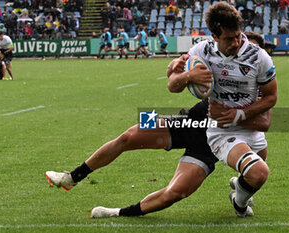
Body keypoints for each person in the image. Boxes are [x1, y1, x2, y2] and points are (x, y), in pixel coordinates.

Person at [46, 30, 273, 218]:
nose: (241, 55)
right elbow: (171, 71)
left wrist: (236, 115)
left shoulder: (261, 89)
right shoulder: (215, 56)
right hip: (188, 121)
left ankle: (116, 213)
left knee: (174, 193)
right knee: (128, 135)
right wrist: (181, 70)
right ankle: (71, 177)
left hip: (209, 148)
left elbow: (265, 121)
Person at [166, 3, 277, 217]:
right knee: (259, 171)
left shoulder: (259, 56)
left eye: (238, 36)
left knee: (253, 172)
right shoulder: (201, 52)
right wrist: (187, 75)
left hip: (250, 127)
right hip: (222, 131)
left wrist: (240, 114)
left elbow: (271, 97)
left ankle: (239, 185)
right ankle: (240, 205)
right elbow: (172, 85)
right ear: (214, 36)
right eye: (229, 38)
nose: (236, 42)